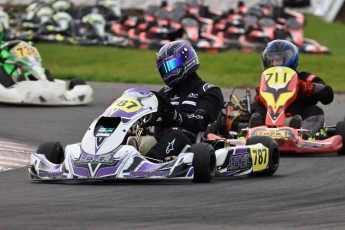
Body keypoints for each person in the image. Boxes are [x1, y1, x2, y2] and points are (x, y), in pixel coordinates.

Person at [146, 40, 224, 161]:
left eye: (170, 66)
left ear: (187, 61)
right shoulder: (164, 93)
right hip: (160, 140)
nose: (168, 72)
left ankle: (148, 162)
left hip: (189, 143)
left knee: (176, 135)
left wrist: (178, 117)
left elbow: (201, 120)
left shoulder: (209, 91)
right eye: (164, 69)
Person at [250, 39, 334, 134]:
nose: (275, 63)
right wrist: (260, 98)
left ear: (291, 59)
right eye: (272, 60)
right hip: (270, 115)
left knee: (316, 111)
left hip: (298, 114)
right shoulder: (267, 78)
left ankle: (302, 133)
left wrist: (308, 87)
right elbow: (257, 105)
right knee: (254, 111)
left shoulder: (306, 78)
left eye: (279, 59)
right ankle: (255, 130)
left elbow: (328, 95)